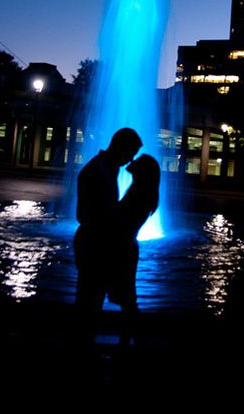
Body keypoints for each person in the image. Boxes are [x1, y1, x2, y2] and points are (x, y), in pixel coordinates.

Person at [74, 127, 142, 343]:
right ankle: (83, 345)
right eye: (131, 153)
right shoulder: (100, 171)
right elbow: (85, 215)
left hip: (93, 242)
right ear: (121, 148)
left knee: (90, 298)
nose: (131, 160)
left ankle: (83, 342)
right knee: (90, 299)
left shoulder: (102, 168)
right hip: (94, 245)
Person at [108, 153, 161, 346]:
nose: (132, 161)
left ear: (143, 171)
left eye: (137, 160)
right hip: (127, 248)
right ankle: (132, 339)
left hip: (123, 249)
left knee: (127, 299)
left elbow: (120, 220)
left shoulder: (139, 194)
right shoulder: (142, 192)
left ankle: (136, 340)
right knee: (127, 298)